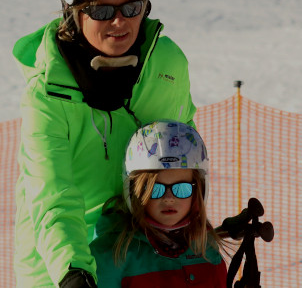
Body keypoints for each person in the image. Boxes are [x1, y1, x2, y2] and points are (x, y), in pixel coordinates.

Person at [13, 0, 196, 288]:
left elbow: (183, 159)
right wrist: (73, 271)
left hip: (138, 254)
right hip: (59, 269)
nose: (118, 22)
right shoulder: (46, 95)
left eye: (131, 8)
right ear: (72, 12)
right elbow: (51, 193)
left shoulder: (167, 66)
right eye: (100, 10)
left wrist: (198, 228)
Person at [90, 120, 227, 287]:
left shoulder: (205, 248)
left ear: (198, 191)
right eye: (155, 189)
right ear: (135, 192)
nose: (169, 198)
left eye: (181, 189)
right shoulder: (115, 255)